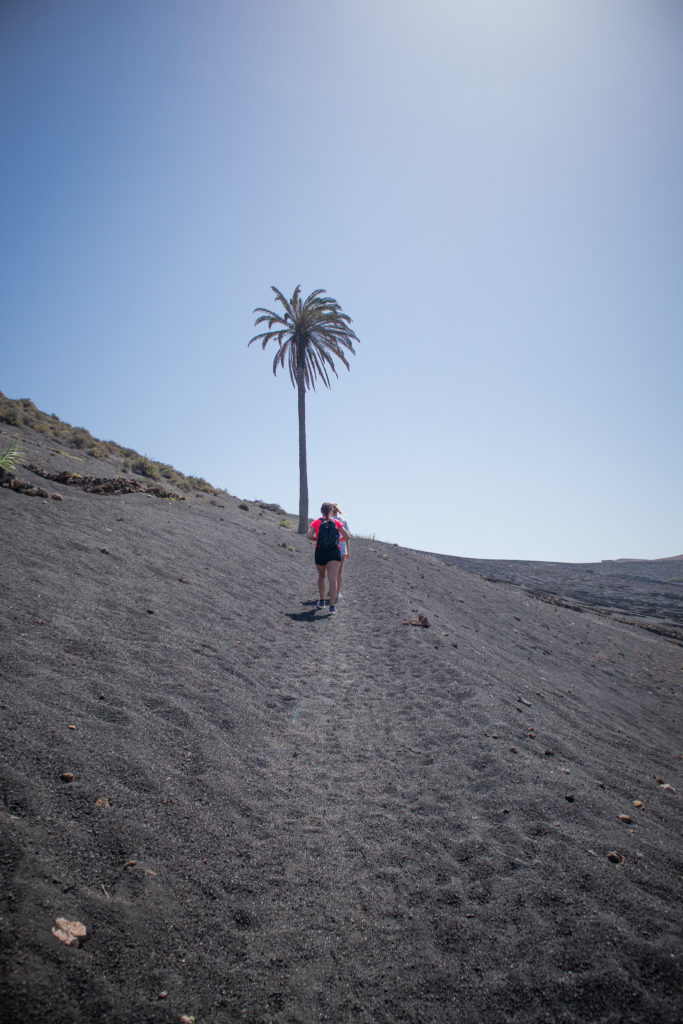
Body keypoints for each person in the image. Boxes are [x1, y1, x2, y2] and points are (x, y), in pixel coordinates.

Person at [306, 502, 350, 615]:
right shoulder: (336, 522)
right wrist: (337, 541)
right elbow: (347, 536)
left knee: (321, 576)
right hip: (334, 552)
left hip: (320, 551)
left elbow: (308, 535)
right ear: (331, 511)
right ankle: (332, 607)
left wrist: (318, 540)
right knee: (333, 578)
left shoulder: (316, 522)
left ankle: (321, 602)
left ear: (321, 511)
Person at [331, 502, 350, 599]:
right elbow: (347, 537)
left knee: (331, 571)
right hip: (342, 548)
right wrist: (348, 551)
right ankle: (337, 593)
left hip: (330, 547)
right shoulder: (343, 520)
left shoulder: (327, 520)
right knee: (339, 571)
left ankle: (331, 591)